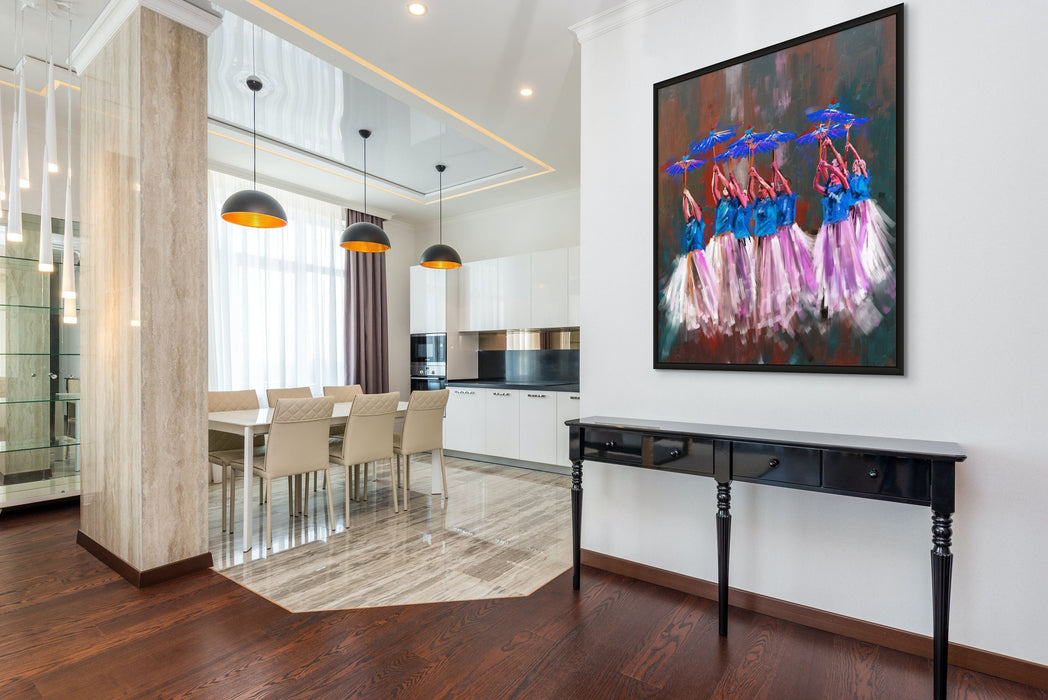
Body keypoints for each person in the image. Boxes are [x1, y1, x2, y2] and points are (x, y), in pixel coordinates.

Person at [811, 140, 879, 333]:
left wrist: (833, 150)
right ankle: (830, 301)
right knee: (829, 264)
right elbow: (817, 183)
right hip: (830, 227)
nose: (832, 176)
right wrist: (821, 160)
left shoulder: (845, 185)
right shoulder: (830, 188)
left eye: (835, 174)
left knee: (847, 260)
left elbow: (841, 173)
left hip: (844, 223)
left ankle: (852, 297)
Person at [660, 188, 719, 351]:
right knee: (689, 288)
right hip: (690, 257)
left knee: (703, 284)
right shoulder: (689, 223)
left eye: (694, 209)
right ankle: (695, 311)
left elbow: (696, 210)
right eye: (691, 210)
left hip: (699, 255)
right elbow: (686, 210)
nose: (692, 212)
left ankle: (708, 310)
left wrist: (690, 195)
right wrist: (684, 198)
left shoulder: (699, 221)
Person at [705, 164, 754, 335]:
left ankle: (737, 309)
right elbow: (714, 190)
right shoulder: (721, 203)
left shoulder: (734, 203)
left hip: (728, 240)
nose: (727, 190)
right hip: (717, 241)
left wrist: (721, 176)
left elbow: (730, 190)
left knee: (730, 276)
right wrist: (714, 175)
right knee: (717, 276)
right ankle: (719, 310)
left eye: (729, 188)